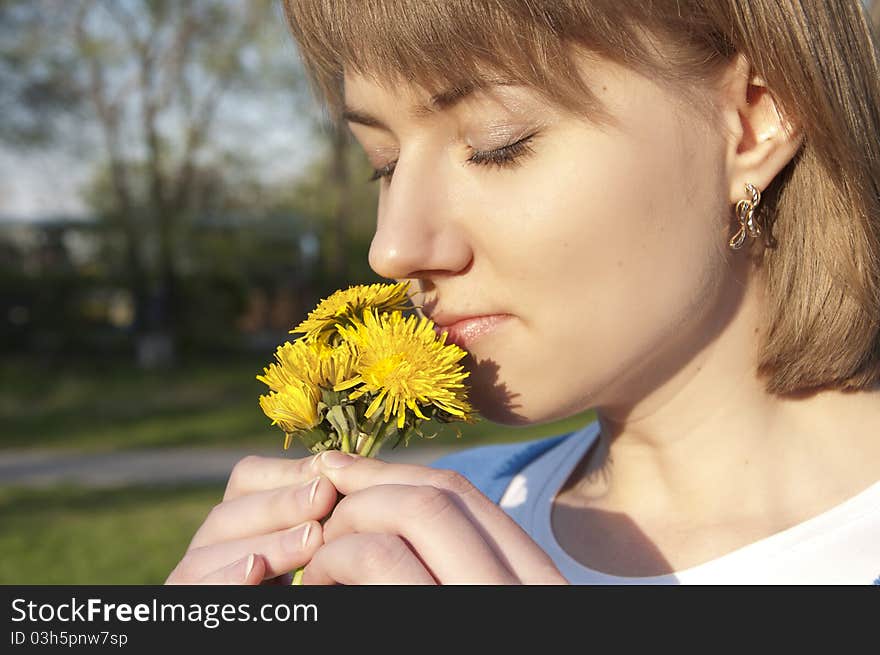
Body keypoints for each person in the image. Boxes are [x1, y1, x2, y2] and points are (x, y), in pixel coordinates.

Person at [166, 1, 880, 585]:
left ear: (754, 119)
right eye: (382, 164)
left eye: (495, 143)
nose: (393, 249)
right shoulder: (412, 534)